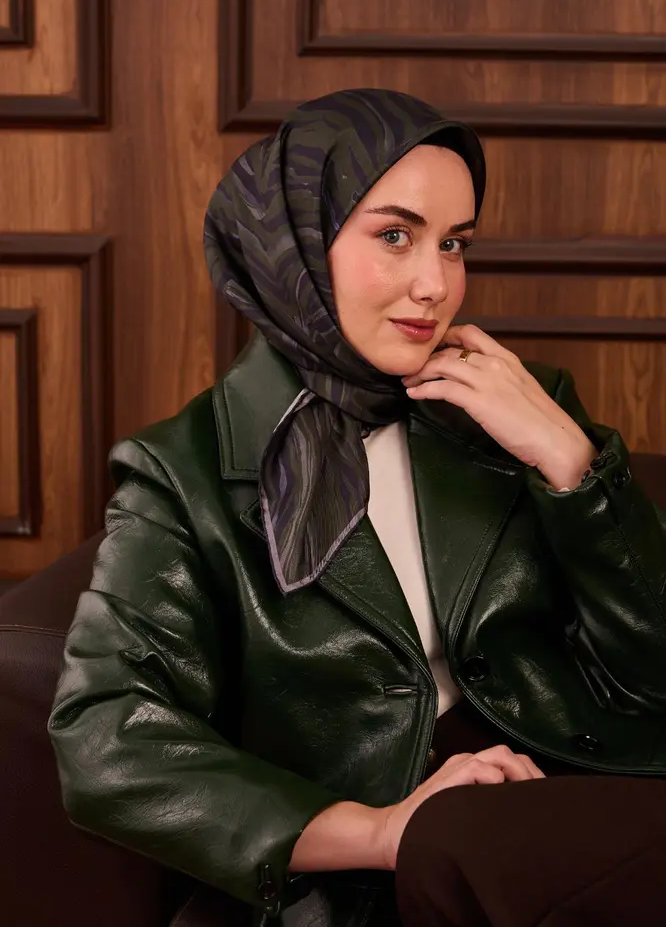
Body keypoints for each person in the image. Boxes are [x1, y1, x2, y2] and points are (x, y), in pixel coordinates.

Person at [48, 89, 666, 927]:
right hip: (388, 861)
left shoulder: (517, 409)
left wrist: (573, 465)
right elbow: (106, 740)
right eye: (396, 236)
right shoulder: (183, 476)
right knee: (465, 845)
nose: (435, 284)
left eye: (454, 244)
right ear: (296, 243)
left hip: (571, 787)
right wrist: (382, 832)